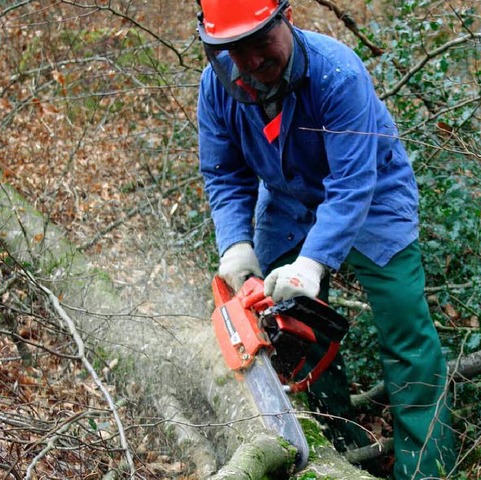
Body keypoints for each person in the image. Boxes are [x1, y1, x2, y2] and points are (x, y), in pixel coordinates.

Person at [195, 0, 456, 477]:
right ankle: (337, 451)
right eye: (234, 49)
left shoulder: (337, 72)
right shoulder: (218, 86)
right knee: (286, 330)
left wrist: (313, 263)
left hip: (374, 199)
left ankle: (426, 467)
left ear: (287, 21)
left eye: (260, 43)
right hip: (287, 201)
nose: (251, 61)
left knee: (405, 332)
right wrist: (235, 243)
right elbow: (224, 174)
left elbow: (353, 184)